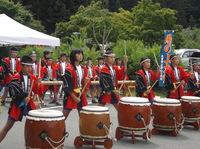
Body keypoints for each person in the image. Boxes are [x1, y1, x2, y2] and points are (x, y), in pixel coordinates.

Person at [0, 56, 43, 142]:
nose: (29, 68)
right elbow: (14, 93)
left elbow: (38, 92)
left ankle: (33, 145)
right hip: (17, 105)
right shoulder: (15, 77)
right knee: (8, 126)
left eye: (30, 66)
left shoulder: (33, 77)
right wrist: (23, 98)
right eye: (27, 66)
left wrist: (39, 84)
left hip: (29, 104)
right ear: (21, 66)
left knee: (37, 126)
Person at [62, 48, 90, 120]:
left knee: (83, 117)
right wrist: (74, 97)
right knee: (63, 116)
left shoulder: (83, 68)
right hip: (70, 94)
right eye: (78, 54)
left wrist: (85, 81)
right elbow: (68, 85)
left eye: (81, 54)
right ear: (73, 56)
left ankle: (83, 131)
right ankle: (59, 130)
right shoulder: (69, 69)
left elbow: (82, 83)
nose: (81, 56)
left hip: (80, 93)